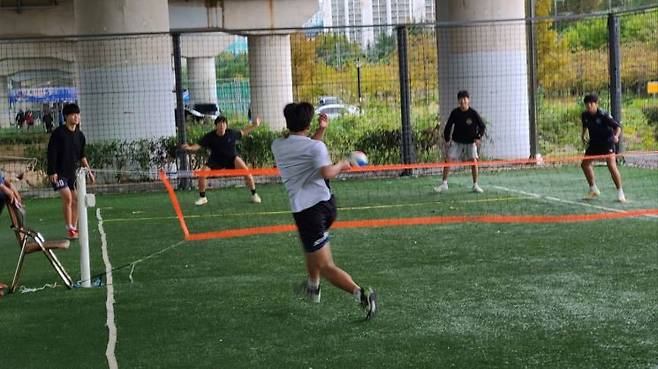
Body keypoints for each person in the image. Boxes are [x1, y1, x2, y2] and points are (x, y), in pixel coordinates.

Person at [271, 102, 377, 320]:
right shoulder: (314, 146)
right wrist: (323, 132)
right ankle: (313, 286)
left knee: (326, 265)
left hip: (309, 212)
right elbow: (311, 151)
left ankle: (362, 294)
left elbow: (327, 171)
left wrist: (343, 163)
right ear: (308, 124)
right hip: (327, 205)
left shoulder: (278, 145)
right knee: (309, 248)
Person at [181, 115, 262, 205]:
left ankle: (254, 194)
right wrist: (190, 147)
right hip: (215, 160)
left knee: (247, 172)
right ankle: (202, 198)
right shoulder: (210, 136)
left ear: (226, 125)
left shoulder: (231, 133)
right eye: (220, 123)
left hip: (232, 159)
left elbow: (244, 131)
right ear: (216, 125)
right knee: (202, 175)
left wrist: (255, 125)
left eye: (224, 123)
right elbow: (198, 146)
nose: (222, 125)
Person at [47, 103, 95, 239]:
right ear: (66, 117)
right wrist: (52, 172)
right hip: (59, 173)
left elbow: (82, 156)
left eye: (78, 114)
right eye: (73, 114)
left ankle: (73, 227)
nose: (76, 117)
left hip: (72, 173)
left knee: (78, 200)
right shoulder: (58, 133)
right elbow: (51, 153)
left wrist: (89, 172)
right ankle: (70, 228)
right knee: (68, 198)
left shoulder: (80, 136)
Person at [434, 90, 486, 193]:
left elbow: (482, 126)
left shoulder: (473, 113)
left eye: (465, 98)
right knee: (448, 160)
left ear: (468, 100)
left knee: (474, 161)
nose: (463, 101)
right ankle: (444, 183)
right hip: (456, 141)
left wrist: (478, 137)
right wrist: (447, 139)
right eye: (461, 99)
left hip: (470, 142)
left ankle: (475, 185)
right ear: (458, 101)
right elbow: (448, 127)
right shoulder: (455, 113)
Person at [580, 94, 626, 202]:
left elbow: (617, 127)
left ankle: (620, 192)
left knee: (611, 165)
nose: (589, 106)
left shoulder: (603, 115)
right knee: (585, 164)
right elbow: (585, 126)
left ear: (596, 104)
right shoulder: (585, 115)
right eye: (587, 104)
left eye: (591, 104)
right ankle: (593, 189)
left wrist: (616, 136)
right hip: (594, 144)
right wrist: (583, 135)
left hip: (607, 143)